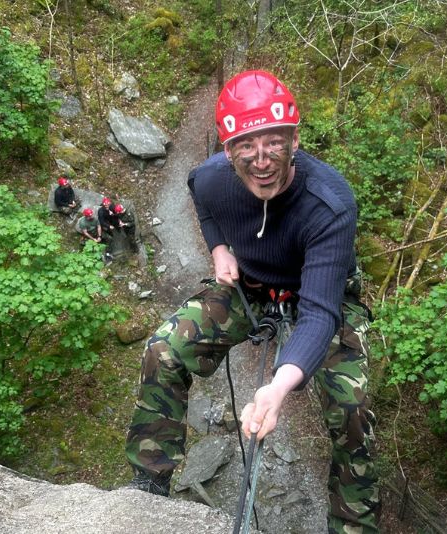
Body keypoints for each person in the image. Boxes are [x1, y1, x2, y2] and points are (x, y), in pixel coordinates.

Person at [124, 70, 380, 533]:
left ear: (295, 140)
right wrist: (220, 247)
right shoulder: (212, 179)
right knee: (163, 351)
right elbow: (199, 198)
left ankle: (354, 525)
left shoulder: (330, 203)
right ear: (228, 150)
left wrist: (278, 388)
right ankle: (149, 485)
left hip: (319, 294)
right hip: (253, 286)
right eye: (246, 145)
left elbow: (321, 313)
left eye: (274, 143)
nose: (261, 160)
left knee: (351, 408)